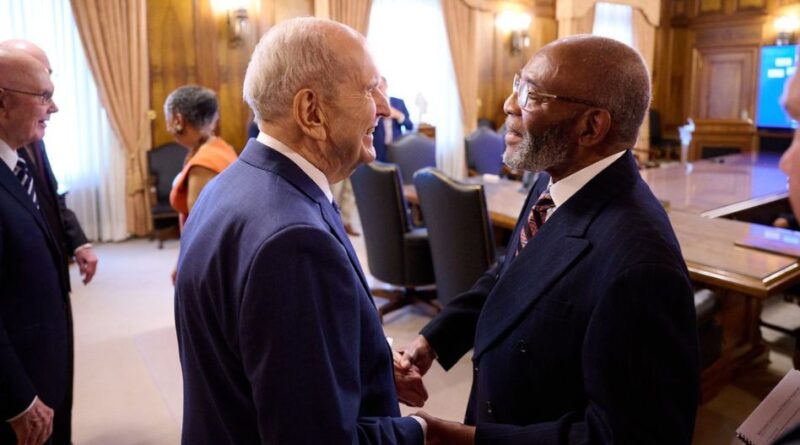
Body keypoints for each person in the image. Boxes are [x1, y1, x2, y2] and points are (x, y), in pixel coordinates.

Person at [398, 35, 699, 444]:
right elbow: (510, 275)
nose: (509, 104)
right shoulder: (554, 180)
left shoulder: (641, 266)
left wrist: (464, 439)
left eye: (532, 95)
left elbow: (626, 437)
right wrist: (433, 339)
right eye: (518, 84)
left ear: (590, 126)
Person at [174, 17, 426, 444]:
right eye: (369, 90)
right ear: (311, 112)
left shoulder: (228, 184)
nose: (384, 107)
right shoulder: (294, 243)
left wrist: (370, 356)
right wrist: (422, 430)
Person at [0, 48, 70, 445]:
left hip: (41, 364)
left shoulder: (15, 165)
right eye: (44, 96)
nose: (53, 107)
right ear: (2, 102)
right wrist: (18, 400)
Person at [0, 39, 98, 286]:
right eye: (43, 94)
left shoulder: (32, 134)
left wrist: (78, 242)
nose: (53, 107)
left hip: (52, 273)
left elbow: (50, 197)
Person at [166, 85, 237, 227]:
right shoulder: (221, 147)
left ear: (178, 120)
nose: (167, 128)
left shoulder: (203, 165)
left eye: (167, 118)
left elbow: (200, 229)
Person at [373, 76, 413, 162]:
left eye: (381, 87)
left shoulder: (399, 103)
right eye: (376, 88)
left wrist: (398, 115)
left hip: (397, 147)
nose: (379, 91)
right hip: (377, 149)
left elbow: (410, 126)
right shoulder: (371, 104)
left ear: (386, 86)